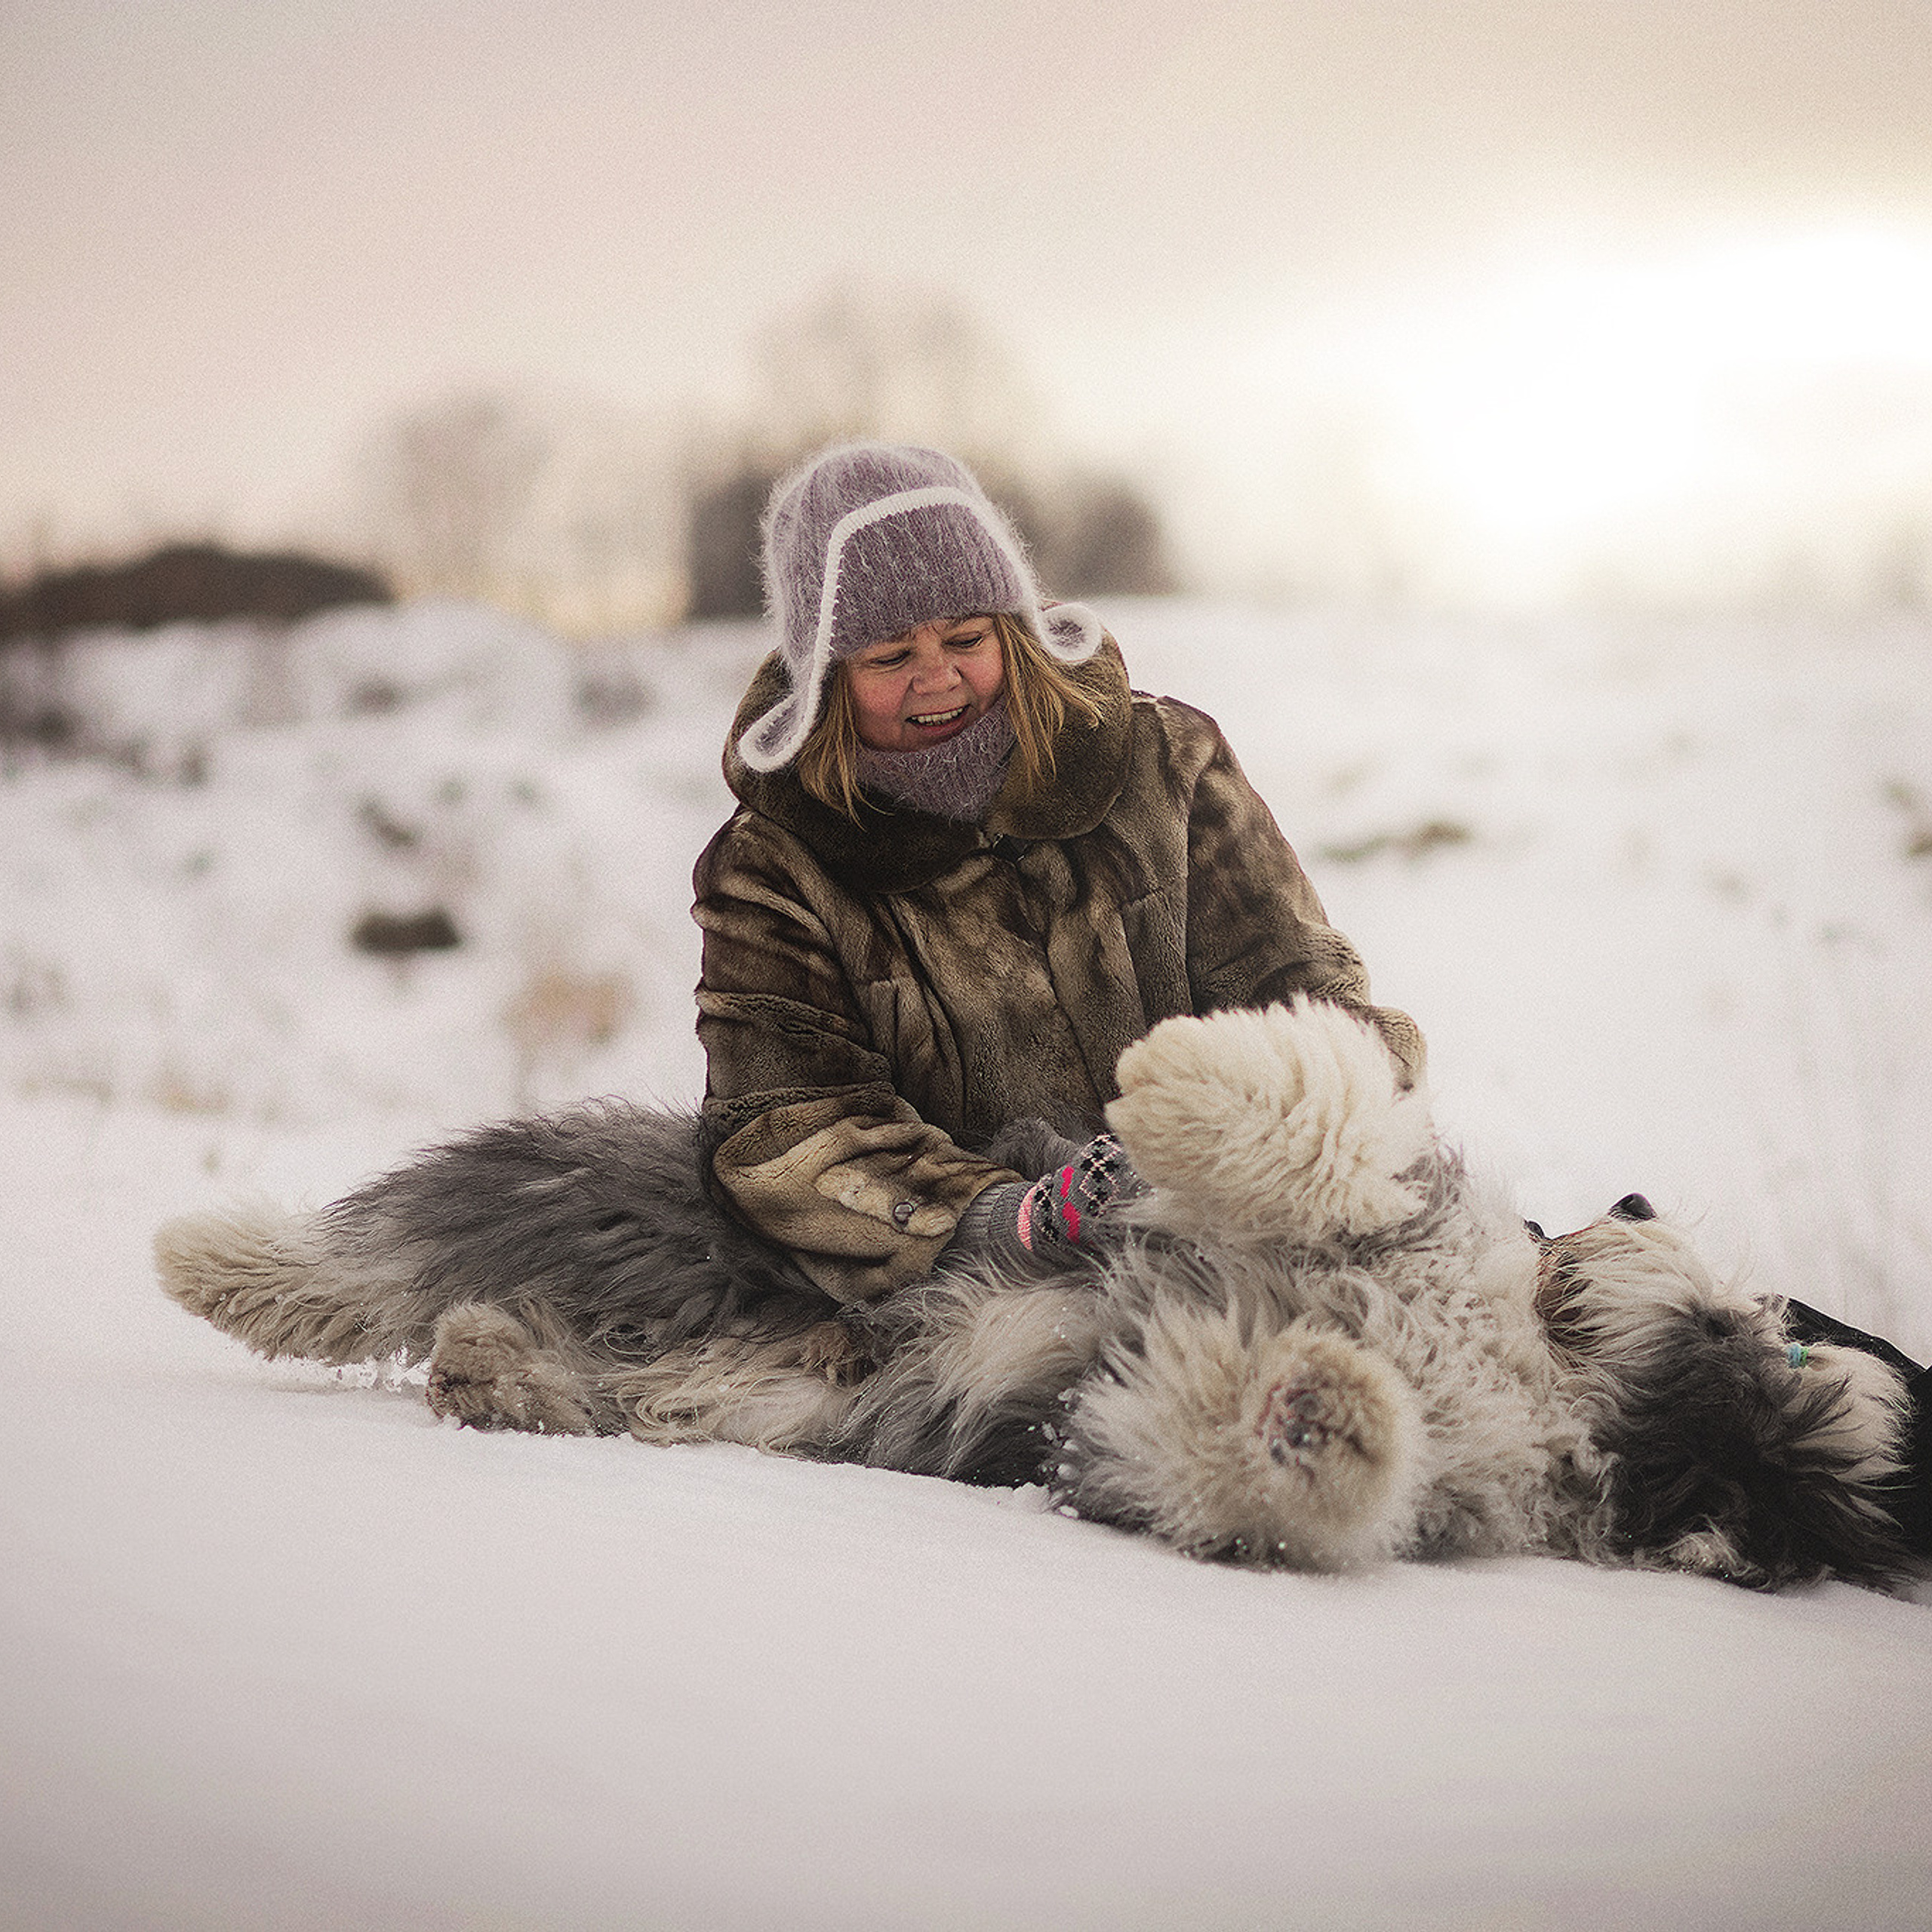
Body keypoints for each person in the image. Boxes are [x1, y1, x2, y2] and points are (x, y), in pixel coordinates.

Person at [691, 441, 1423, 1306]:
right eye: (889, 657)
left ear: (1013, 630)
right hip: (974, 1298)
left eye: (966, 638)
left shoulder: (1167, 762)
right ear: (825, 680)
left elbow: (1302, 994)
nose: (938, 677)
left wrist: (1296, 1120)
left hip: (1237, 1216)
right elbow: (786, 1131)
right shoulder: (772, 868)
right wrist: (1015, 1219)